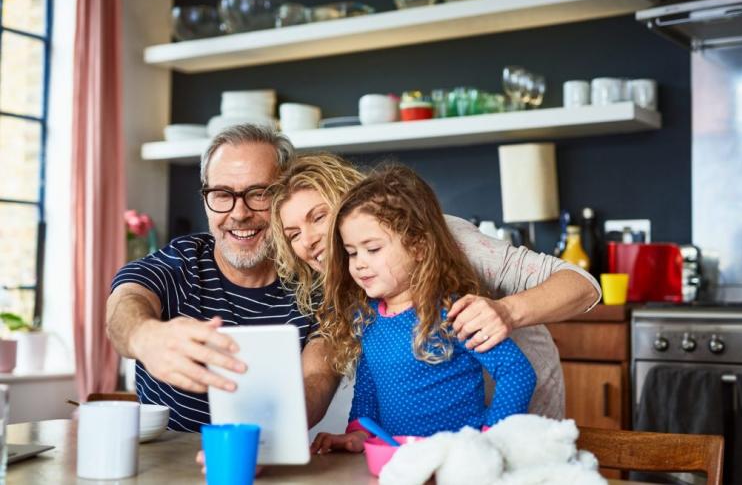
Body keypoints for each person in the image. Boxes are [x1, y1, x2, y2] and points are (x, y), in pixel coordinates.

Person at [270, 153, 600, 422]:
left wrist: (506, 312)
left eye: (318, 217)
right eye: (293, 234)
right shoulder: (357, 282)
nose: (309, 240)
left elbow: (583, 286)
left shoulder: (443, 237)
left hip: (518, 424)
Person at [106, 124, 336, 432]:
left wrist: (270, 425)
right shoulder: (180, 262)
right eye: (222, 194)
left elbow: (317, 380)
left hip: (260, 460)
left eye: (258, 194)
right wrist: (144, 336)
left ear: (285, 197)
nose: (239, 213)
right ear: (206, 199)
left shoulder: (318, 284)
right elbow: (125, 304)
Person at [311, 166, 537, 452]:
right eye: (352, 252)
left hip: (459, 462)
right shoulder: (366, 318)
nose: (359, 263)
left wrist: (491, 438)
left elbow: (517, 372)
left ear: (417, 246)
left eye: (373, 249)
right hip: (399, 463)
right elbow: (368, 391)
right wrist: (359, 434)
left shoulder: (452, 311)